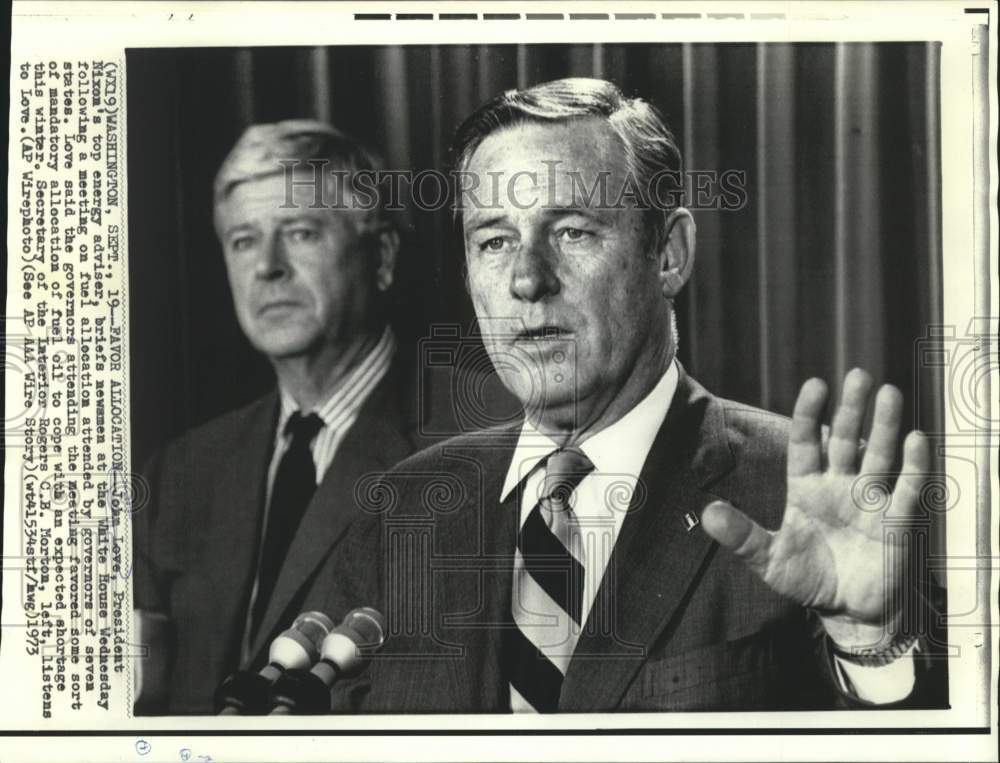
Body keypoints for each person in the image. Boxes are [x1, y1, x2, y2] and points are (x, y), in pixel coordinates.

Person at [307, 78, 946, 713]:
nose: (527, 279)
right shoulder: (402, 511)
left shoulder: (803, 495)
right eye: (494, 241)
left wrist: (871, 642)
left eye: (573, 231)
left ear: (669, 254)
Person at [131, 120, 442, 714]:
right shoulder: (181, 472)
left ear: (380, 256)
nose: (266, 267)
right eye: (244, 241)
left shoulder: (485, 436)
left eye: (299, 232)